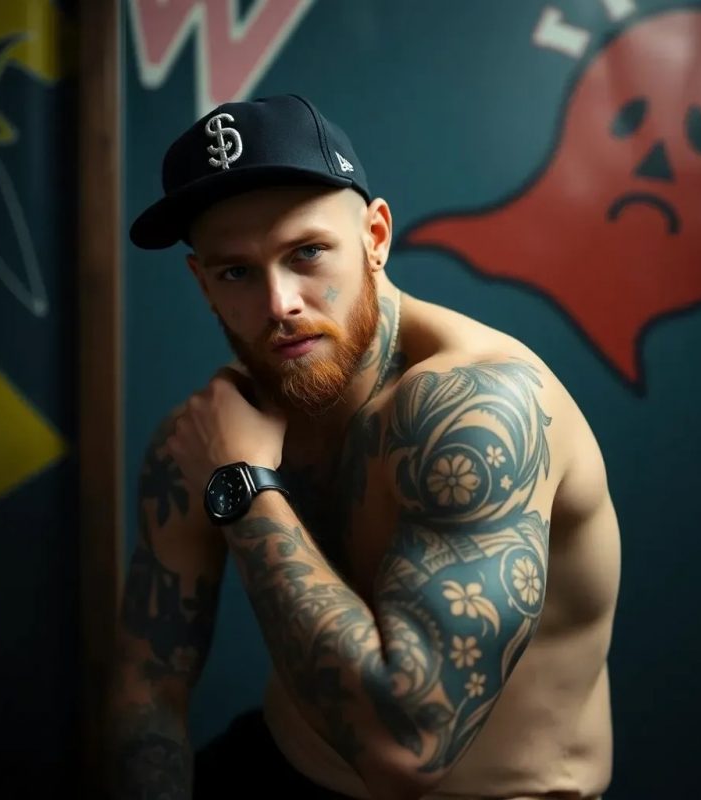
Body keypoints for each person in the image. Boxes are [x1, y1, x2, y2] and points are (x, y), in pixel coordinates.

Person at [110, 94, 621, 800]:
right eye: (236, 272)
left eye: (307, 253)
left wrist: (244, 483)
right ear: (203, 283)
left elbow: (407, 751)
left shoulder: (479, 412)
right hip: (286, 769)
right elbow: (147, 691)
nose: (280, 303)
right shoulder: (204, 436)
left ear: (375, 237)